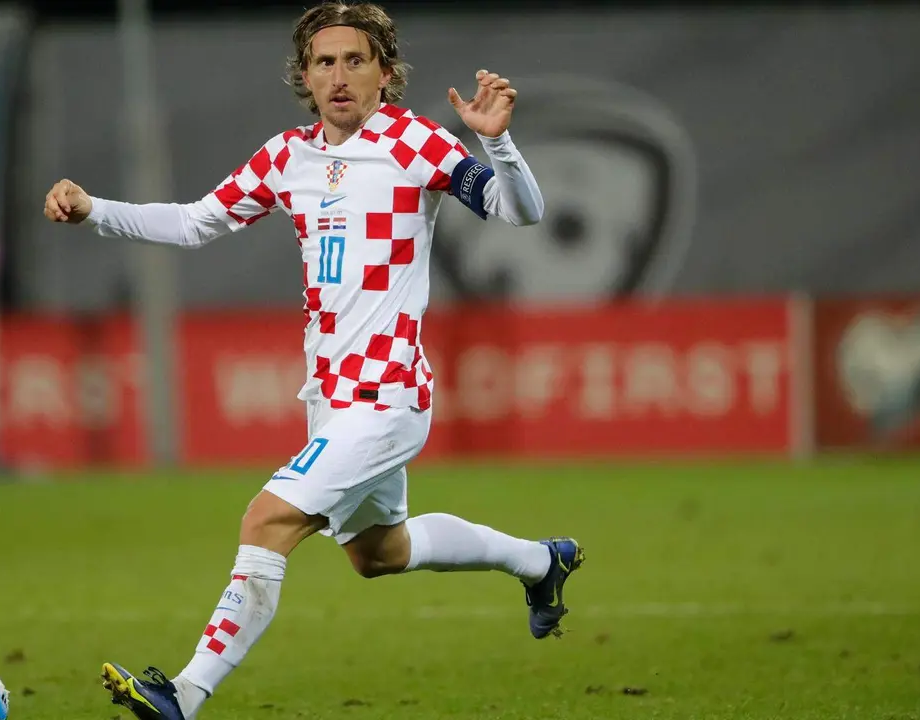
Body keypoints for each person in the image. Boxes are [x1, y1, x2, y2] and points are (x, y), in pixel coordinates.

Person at [43, 3, 584, 718]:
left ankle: (184, 692)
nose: (339, 75)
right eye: (324, 62)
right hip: (331, 401)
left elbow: (520, 213)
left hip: (387, 396)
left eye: (355, 59)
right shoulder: (286, 157)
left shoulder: (413, 142)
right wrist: (95, 210)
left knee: (267, 520)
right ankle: (540, 562)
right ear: (304, 75)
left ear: (385, 72)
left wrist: (500, 146)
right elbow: (197, 220)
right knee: (378, 553)